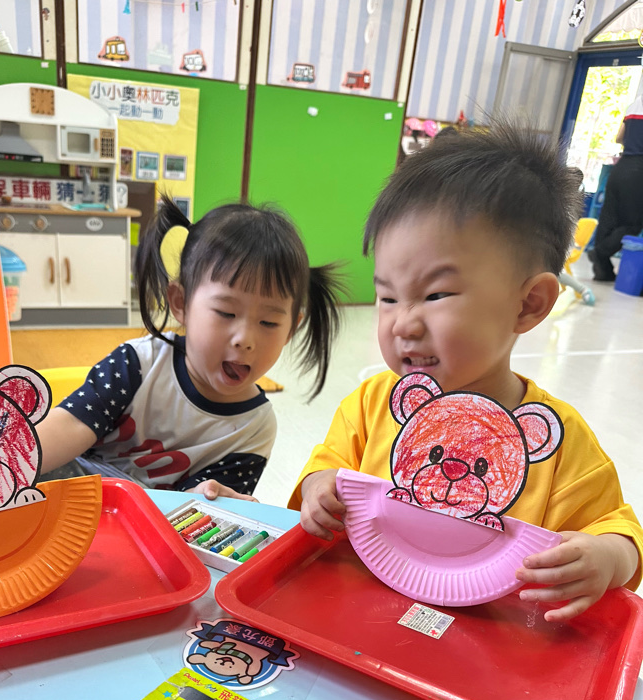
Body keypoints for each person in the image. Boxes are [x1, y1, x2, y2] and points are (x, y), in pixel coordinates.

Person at [291, 120, 643, 622]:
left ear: (528, 304)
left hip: (492, 640)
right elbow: (326, 468)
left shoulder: (561, 442)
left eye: (435, 294)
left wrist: (607, 556)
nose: (403, 323)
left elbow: (618, 531)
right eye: (387, 297)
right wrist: (318, 487)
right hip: (363, 615)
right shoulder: (370, 405)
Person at [37, 195, 341, 500]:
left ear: (291, 329)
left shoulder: (253, 428)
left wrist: (214, 499)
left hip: (153, 518)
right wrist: (14, 466)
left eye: (269, 323)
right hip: (78, 493)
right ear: (180, 303)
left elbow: (194, 508)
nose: (245, 339)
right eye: (226, 313)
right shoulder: (139, 363)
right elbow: (70, 427)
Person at [589, 79, 643, 281]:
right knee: (633, 224)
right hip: (639, 171)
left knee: (609, 220)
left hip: (621, 168)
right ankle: (600, 253)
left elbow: (619, 138)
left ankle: (603, 271)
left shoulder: (635, 103)